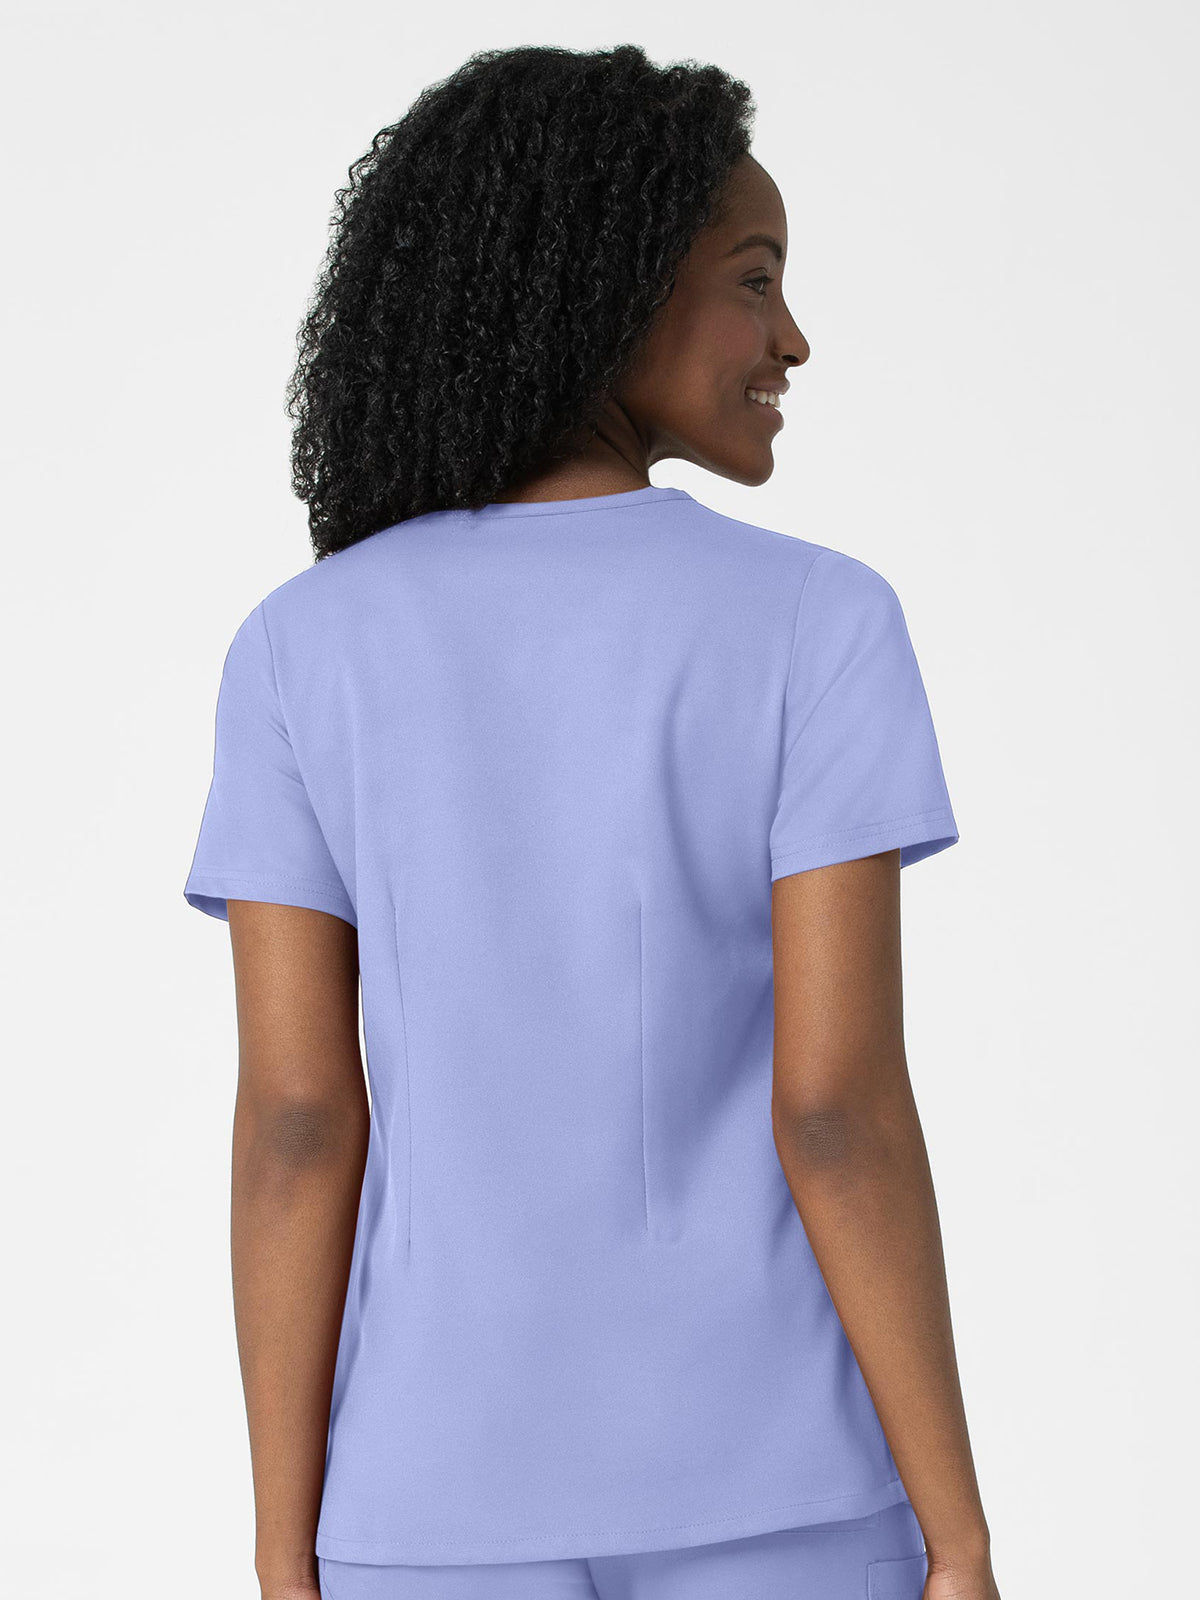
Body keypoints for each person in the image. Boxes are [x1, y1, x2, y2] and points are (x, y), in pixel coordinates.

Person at [182, 42, 1001, 1600]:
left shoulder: (301, 646)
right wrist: (958, 1539)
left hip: (423, 1506)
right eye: (755, 281)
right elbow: (836, 1111)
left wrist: (286, 1558)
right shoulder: (818, 622)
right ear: (613, 288)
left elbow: (297, 1123)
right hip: (779, 1492)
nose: (794, 339)